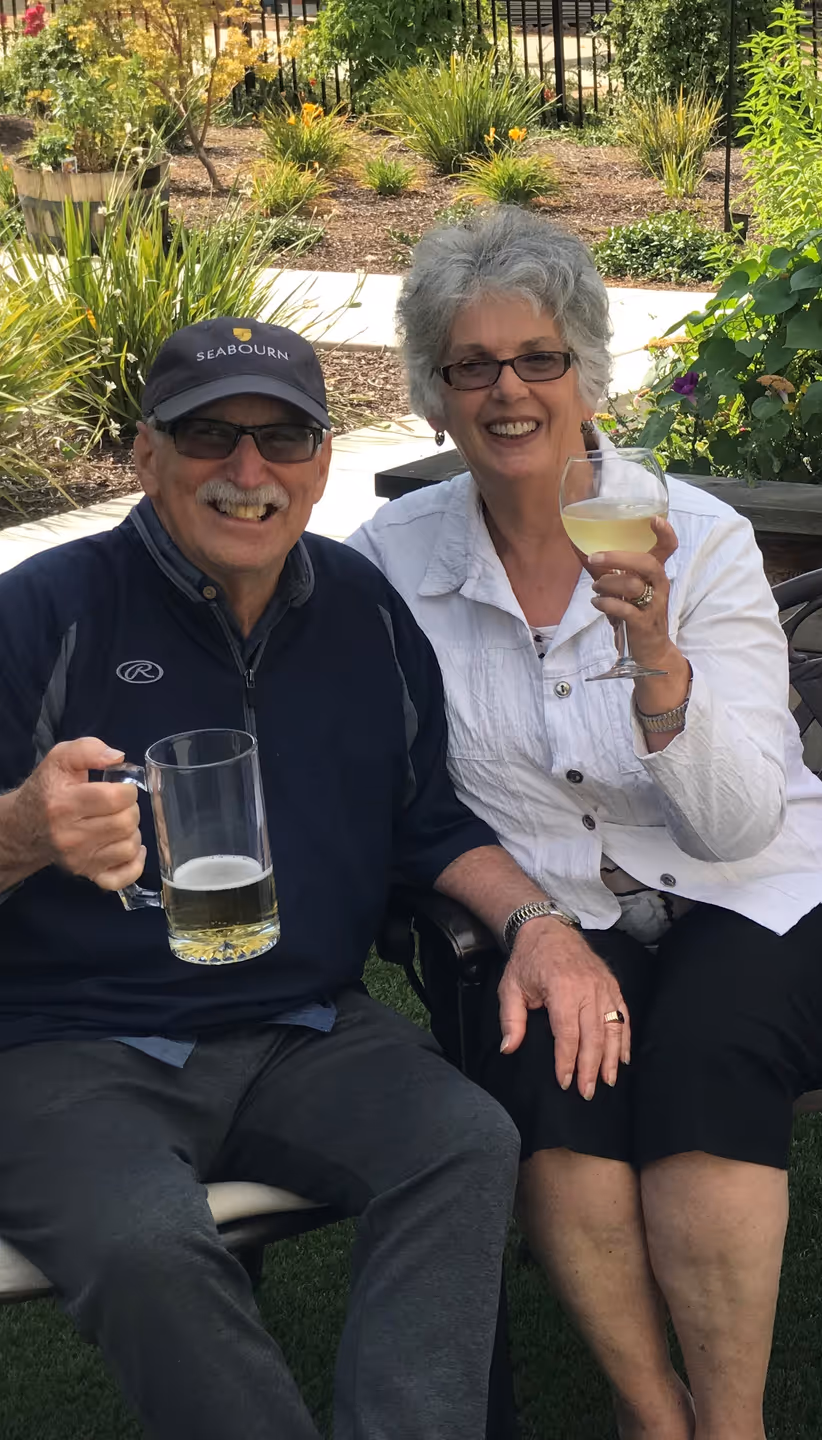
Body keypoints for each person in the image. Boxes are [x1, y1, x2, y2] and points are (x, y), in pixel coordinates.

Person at [0, 317, 620, 1439]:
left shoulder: (361, 611)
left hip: (305, 1029)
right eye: (210, 435)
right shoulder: (43, 612)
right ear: (145, 455)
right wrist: (25, 830)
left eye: (283, 437)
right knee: (144, 1239)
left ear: (323, 460)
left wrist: (539, 923)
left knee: (462, 1141)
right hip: (68, 1047)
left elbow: (426, 823)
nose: (249, 471)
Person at [348, 206, 822, 1440]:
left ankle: (731, 1425)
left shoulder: (697, 541)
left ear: (586, 373)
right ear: (435, 395)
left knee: (702, 1055)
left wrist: (657, 664)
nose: (508, 391)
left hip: (765, 890)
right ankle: (655, 1416)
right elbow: (399, 794)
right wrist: (532, 926)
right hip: (561, 906)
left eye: (538, 358)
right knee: (555, 1063)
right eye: (471, 366)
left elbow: (736, 824)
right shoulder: (392, 563)